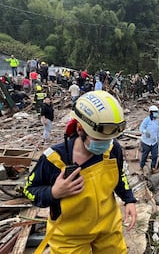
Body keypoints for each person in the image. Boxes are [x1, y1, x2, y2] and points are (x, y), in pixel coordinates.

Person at [23, 90, 137, 253]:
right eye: (99, 138)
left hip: (108, 228)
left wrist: (129, 199)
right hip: (69, 237)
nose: (105, 144)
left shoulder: (112, 149)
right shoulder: (54, 160)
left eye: (109, 139)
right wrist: (54, 192)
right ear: (79, 129)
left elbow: (119, 177)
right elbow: (29, 191)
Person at [139, 105, 159, 174]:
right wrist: (145, 132)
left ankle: (153, 167)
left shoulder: (156, 121)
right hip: (146, 142)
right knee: (144, 155)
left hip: (154, 142)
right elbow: (141, 128)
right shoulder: (146, 120)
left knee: (155, 155)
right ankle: (141, 167)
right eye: (155, 112)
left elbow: (157, 131)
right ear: (151, 112)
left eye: (157, 112)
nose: (156, 113)